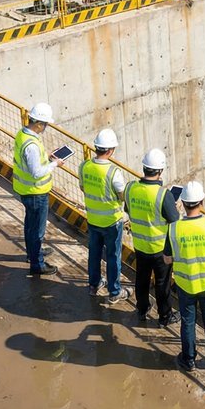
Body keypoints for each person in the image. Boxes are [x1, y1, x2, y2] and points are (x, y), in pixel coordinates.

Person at [164, 180, 205, 372]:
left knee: (188, 322)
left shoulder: (174, 228)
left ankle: (188, 360)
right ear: (201, 202)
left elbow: (167, 259)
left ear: (182, 203)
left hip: (185, 283)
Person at [126, 148, 179, 326]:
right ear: (160, 171)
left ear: (144, 168)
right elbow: (174, 219)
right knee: (162, 284)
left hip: (140, 244)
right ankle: (164, 316)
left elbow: (128, 209)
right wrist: (172, 203)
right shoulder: (163, 195)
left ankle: (142, 309)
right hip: (159, 248)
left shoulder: (131, 188)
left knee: (141, 278)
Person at [13, 102, 62, 276]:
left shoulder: (23, 134)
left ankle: (33, 254)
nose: (46, 127)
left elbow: (30, 162)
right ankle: (37, 264)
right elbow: (36, 172)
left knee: (30, 225)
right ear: (39, 124)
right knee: (37, 230)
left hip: (27, 190)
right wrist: (55, 164)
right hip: (35, 192)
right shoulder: (32, 145)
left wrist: (47, 157)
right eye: (46, 124)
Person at [81, 128, 128, 303]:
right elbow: (122, 195)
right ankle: (114, 292)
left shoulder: (85, 166)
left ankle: (93, 285)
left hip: (93, 219)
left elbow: (83, 187)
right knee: (113, 256)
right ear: (110, 150)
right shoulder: (113, 172)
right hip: (111, 222)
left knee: (94, 253)